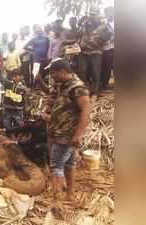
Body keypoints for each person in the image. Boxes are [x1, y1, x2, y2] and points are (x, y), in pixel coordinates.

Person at [41, 58, 91, 202]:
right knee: (69, 164)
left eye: (54, 74)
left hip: (66, 135)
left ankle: (58, 201)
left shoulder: (77, 88)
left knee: (56, 166)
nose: (53, 77)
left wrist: (78, 135)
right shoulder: (64, 85)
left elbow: (85, 111)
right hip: (59, 133)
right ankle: (70, 194)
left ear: (62, 72)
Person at [78, 11, 113, 97]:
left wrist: (101, 40)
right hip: (83, 52)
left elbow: (110, 33)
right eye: (91, 14)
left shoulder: (103, 25)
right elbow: (80, 35)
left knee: (95, 73)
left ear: (97, 16)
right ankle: (84, 91)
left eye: (94, 14)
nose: (92, 16)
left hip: (96, 52)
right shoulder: (85, 24)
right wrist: (79, 43)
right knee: (82, 71)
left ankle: (95, 92)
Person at [3, 68, 28, 139]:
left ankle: (17, 142)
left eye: (16, 76)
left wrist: (24, 110)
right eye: (12, 76)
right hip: (8, 110)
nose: (13, 78)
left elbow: (25, 100)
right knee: (7, 127)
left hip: (18, 111)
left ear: (20, 77)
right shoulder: (8, 84)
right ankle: (11, 142)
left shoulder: (23, 88)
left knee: (20, 127)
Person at [100, 6, 114, 91]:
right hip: (107, 48)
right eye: (107, 12)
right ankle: (105, 85)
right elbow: (99, 35)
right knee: (107, 66)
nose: (109, 14)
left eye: (110, 12)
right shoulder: (103, 23)